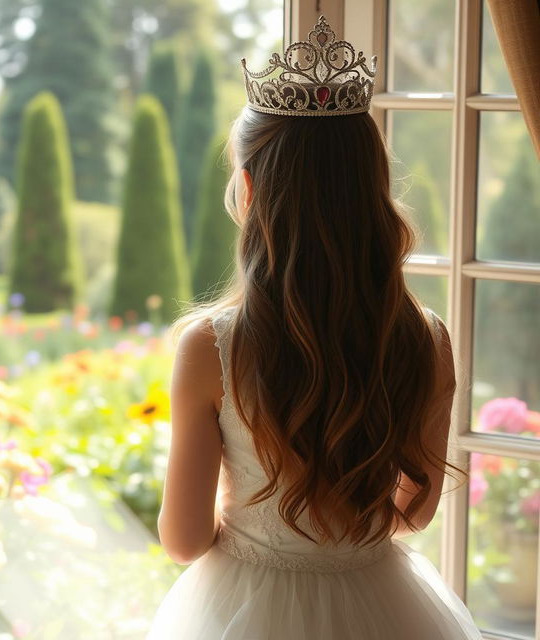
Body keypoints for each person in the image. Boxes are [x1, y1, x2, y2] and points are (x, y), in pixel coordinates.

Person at [147, 17, 482, 639]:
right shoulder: (425, 336)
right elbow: (415, 513)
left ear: (249, 190)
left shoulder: (213, 346)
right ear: (371, 189)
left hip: (246, 607)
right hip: (386, 605)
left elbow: (184, 540)